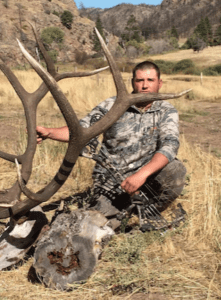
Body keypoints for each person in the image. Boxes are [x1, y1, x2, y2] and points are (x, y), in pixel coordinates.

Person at [36, 61, 186, 224]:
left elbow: (170, 145)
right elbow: (81, 130)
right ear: (132, 83)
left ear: (159, 83)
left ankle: (147, 212)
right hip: (111, 182)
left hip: (145, 178)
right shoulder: (112, 106)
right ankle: (121, 213)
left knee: (175, 170)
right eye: (139, 80)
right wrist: (50, 132)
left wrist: (141, 175)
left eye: (150, 80)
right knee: (96, 223)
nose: (144, 86)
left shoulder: (166, 110)